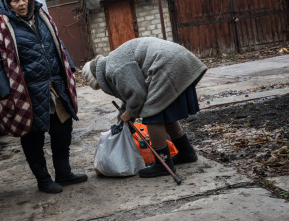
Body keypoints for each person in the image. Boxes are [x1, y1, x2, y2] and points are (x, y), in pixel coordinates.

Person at [0, 0, 87, 194]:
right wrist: (4, 92)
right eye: (16, 0)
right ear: (8, 3)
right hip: (25, 92)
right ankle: (43, 180)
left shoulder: (42, 17)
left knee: (62, 129)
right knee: (33, 136)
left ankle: (64, 173)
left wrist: (70, 66)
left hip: (55, 86)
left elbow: (58, 42)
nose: (21, 3)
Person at [82, 37, 207, 178]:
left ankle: (162, 164)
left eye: (98, 86)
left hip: (166, 64)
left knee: (153, 115)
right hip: (177, 58)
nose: (101, 88)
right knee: (163, 112)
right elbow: (131, 94)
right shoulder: (112, 62)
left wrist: (129, 113)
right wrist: (124, 119)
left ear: (97, 78)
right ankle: (186, 153)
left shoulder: (114, 69)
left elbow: (138, 95)